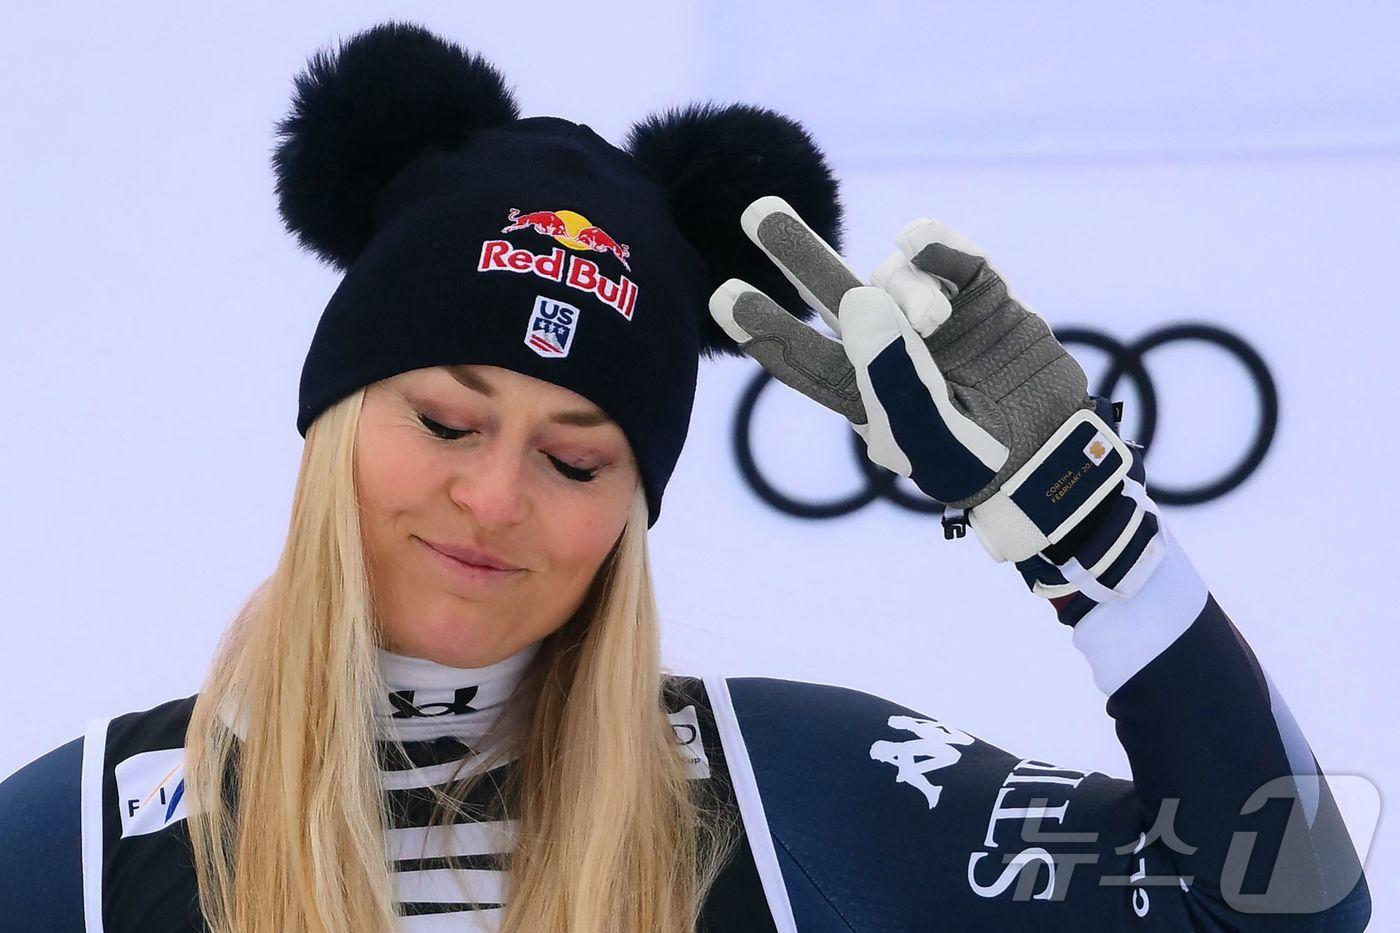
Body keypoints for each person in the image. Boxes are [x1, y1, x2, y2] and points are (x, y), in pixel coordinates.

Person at [0, 19, 1371, 933]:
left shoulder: (782, 789)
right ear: (332, 429)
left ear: (633, 509)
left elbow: (1282, 901)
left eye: (576, 454)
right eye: (443, 418)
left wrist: (1093, 535)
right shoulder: (86, 836)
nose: (493, 498)